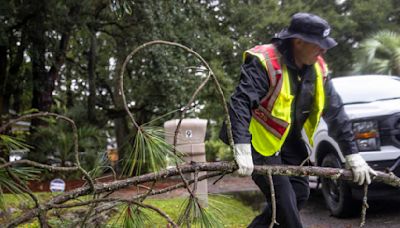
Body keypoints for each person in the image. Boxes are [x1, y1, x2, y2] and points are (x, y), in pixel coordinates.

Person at [221, 12, 377, 227]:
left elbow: (336, 113)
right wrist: (241, 146)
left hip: (287, 139)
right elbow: (240, 102)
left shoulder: (318, 68)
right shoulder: (265, 62)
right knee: (285, 204)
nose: (323, 50)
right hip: (256, 139)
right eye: (318, 45)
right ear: (298, 42)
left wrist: (352, 155)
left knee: (299, 193)